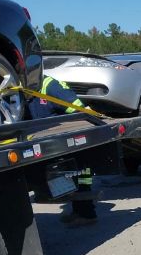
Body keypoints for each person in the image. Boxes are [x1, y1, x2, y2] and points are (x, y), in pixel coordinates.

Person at [28, 76, 97, 226]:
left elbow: (76, 107)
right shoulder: (23, 90)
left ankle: (87, 213)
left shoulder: (49, 85)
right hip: (52, 141)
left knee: (82, 175)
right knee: (75, 178)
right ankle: (80, 211)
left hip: (71, 141)